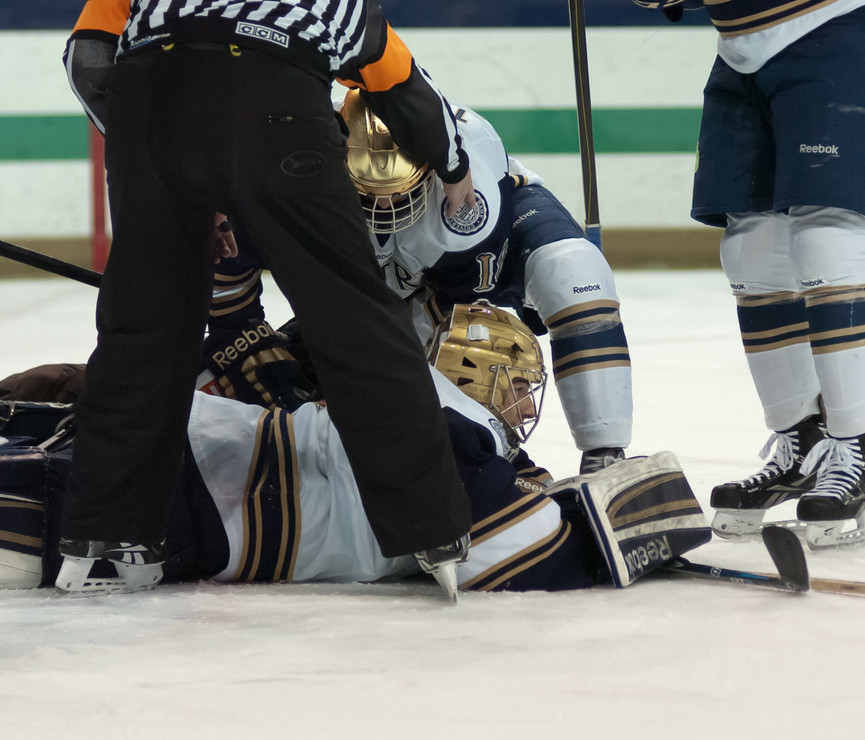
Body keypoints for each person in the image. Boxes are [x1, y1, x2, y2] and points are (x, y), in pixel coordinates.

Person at [58, 0, 480, 597]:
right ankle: (432, 530)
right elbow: (404, 86)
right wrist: (453, 163)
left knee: (143, 325)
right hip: (275, 102)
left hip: (150, 100)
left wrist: (154, 151)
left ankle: (102, 530)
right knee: (353, 318)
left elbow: (90, 61)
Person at [0, 304, 710, 594]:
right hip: (175, 508)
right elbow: (534, 555)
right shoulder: (462, 443)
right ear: (477, 380)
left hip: (163, 448)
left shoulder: (395, 381)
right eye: (517, 387)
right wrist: (613, 524)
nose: (525, 407)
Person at [215, 90, 634, 475]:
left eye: (398, 191)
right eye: (368, 191)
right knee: (226, 378)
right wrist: (246, 340)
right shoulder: (287, 180)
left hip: (472, 251)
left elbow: (457, 313)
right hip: (364, 275)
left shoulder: (471, 206)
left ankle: (602, 455)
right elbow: (226, 283)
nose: (383, 206)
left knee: (568, 277)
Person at [635, 1, 865, 549]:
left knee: (829, 237)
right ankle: (800, 443)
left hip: (837, 30)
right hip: (740, 54)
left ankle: (856, 451)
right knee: (751, 250)